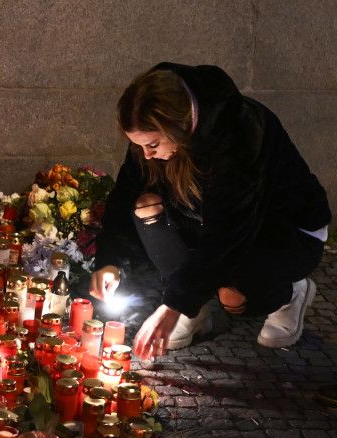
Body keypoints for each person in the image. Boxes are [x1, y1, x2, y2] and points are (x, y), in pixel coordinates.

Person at [89, 62, 331, 361]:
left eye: (152, 145)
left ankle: (290, 295)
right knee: (145, 205)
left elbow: (228, 236)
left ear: (178, 127)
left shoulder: (239, 132)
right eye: (138, 146)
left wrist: (172, 305)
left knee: (234, 296)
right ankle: (196, 311)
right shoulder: (149, 135)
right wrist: (108, 260)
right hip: (209, 218)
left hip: (284, 230)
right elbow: (126, 193)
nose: (147, 154)